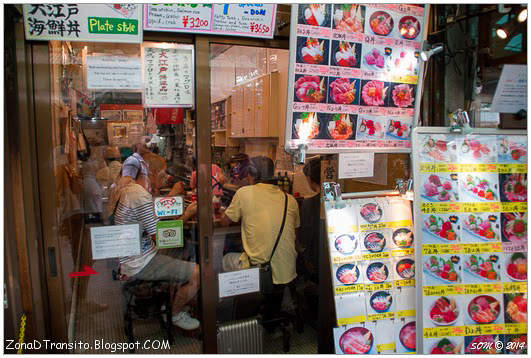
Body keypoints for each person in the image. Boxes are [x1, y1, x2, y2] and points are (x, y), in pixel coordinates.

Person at [110, 155, 200, 330]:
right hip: (140, 262)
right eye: (160, 174)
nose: (160, 179)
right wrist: (187, 214)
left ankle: (174, 299)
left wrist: (172, 196)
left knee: (182, 251)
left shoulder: (128, 190)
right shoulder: (138, 194)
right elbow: (162, 237)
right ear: (148, 172)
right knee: (198, 272)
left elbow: (151, 214)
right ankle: (175, 313)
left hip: (134, 256)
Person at [220, 156, 300, 286]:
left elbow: (224, 222)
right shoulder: (290, 199)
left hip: (259, 272)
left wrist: (223, 211)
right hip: (287, 270)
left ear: (251, 175)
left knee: (225, 259)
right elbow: (295, 234)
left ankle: (232, 300)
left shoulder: (244, 193)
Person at [299, 156, 322, 283]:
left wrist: (306, 258)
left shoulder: (310, 203)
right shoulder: (338, 198)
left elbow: (305, 235)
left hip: (316, 259)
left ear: (310, 179)